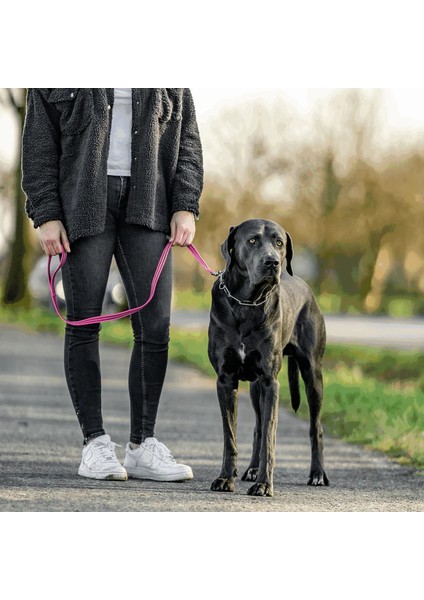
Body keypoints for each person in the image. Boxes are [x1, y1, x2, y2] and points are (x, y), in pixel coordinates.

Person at [22, 88, 203, 481]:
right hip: (82, 202)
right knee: (84, 322)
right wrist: (46, 212)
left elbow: (187, 137)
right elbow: (38, 140)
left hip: (150, 199)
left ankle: (143, 445)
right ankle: (95, 444)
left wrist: (186, 203)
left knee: (155, 327)